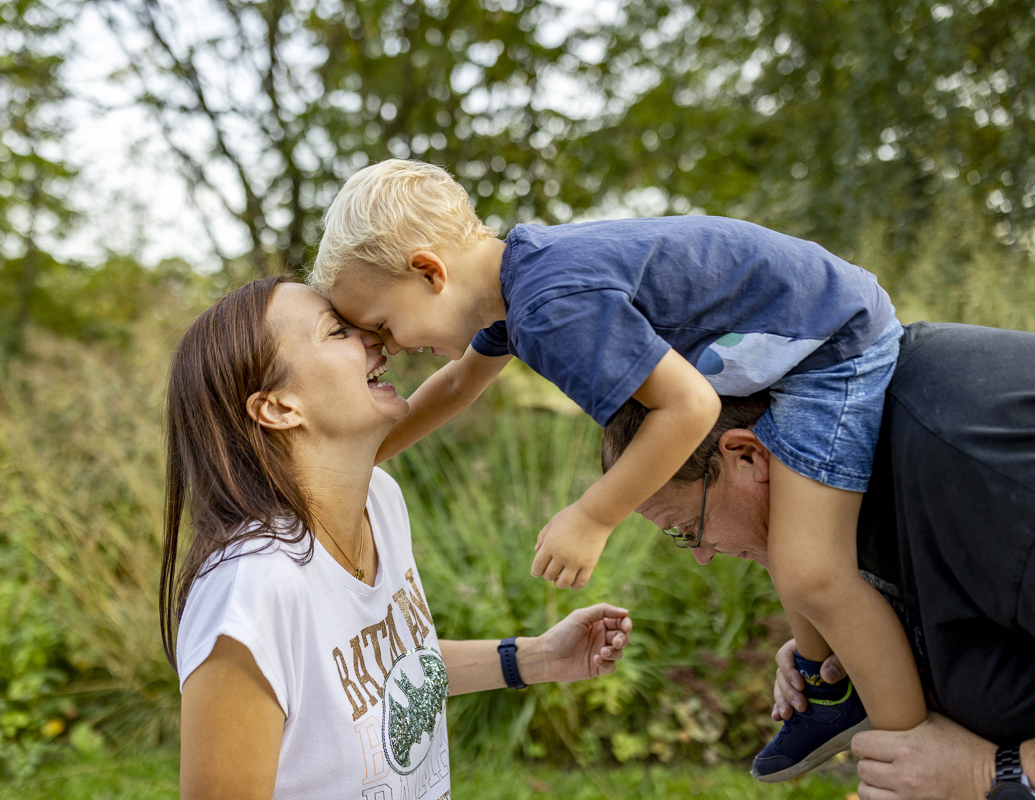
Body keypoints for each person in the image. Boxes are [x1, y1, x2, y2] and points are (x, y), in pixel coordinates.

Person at [310, 158, 923, 778]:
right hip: (805, 337)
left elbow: (687, 408)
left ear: (428, 271)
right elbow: (458, 385)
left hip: (833, 343)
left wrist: (593, 515)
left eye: (386, 325)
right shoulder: (518, 280)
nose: (391, 347)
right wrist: (357, 457)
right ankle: (830, 690)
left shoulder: (548, 306)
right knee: (791, 555)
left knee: (813, 572)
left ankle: (913, 755)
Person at [160, 276, 635, 799]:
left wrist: (537, 657)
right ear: (279, 407)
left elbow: (387, 677)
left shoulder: (379, 501)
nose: (373, 338)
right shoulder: (250, 590)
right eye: (336, 330)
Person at [602, 320, 1035, 799]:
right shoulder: (852, 474)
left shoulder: (975, 465)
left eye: (690, 530)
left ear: (746, 455)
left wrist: (995, 774)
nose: (703, 556)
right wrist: (872, 639)